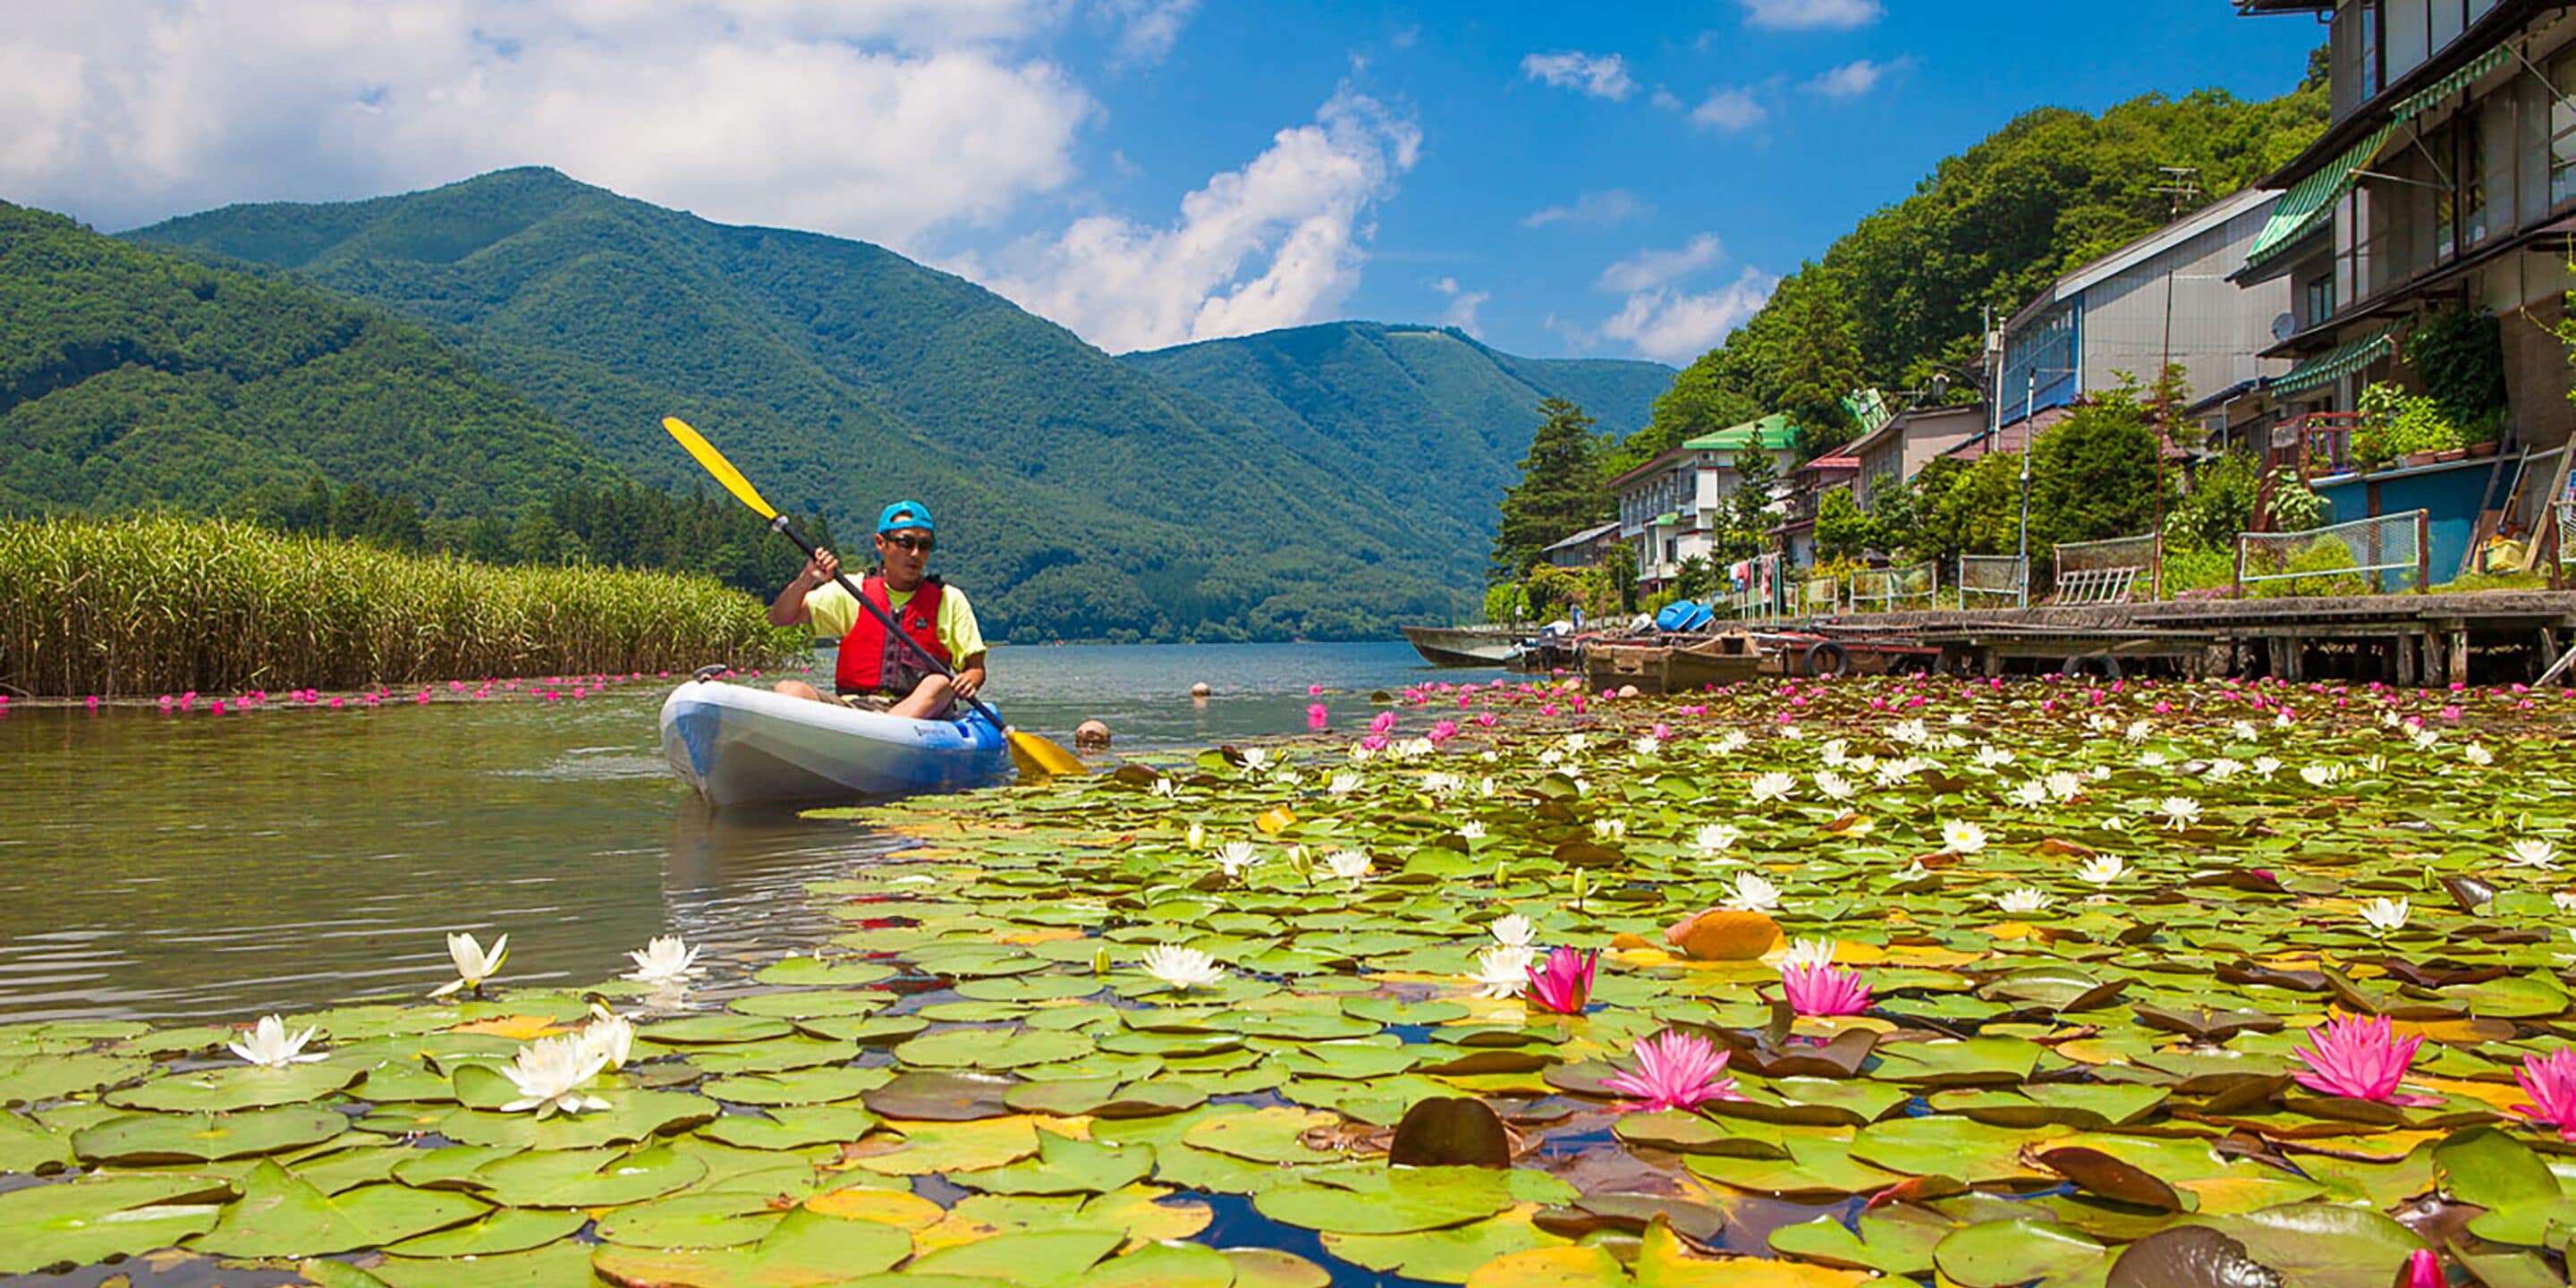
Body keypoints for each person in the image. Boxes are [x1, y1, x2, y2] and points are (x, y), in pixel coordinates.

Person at [768, 501, 987, 720]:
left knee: (939, 682)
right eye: (906, 542)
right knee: (788, 690)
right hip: (855, 708)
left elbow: (975, 669)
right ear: (881, 543)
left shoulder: (949, 599)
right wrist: (807, 578)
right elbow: (780, 617)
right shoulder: (853, 590)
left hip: (923, 715)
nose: (915, 554)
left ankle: (888, 733)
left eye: (924, 545)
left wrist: (969, 680)